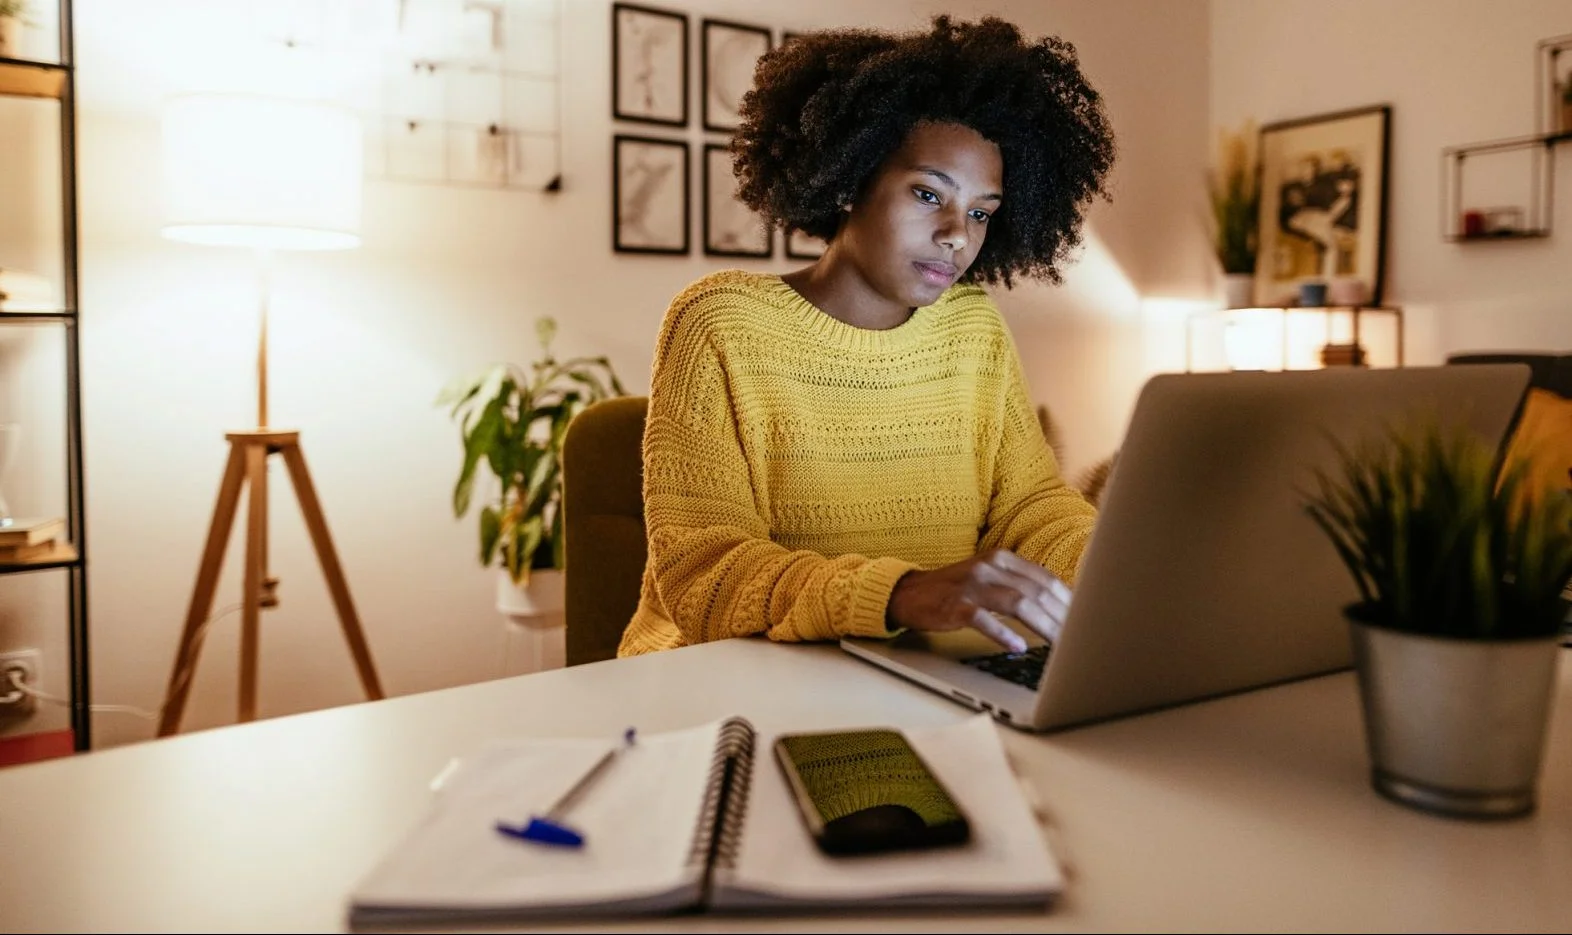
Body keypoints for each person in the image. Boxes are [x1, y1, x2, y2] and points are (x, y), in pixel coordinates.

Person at [616, 16, 1116, 658]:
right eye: (929, 194)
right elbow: (706, 573)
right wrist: (898, 593)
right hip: (730, 680)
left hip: (920, 668)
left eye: (981, 212)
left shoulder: (971, 326)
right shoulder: (722, 324)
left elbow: (1031, 506)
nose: (958, 234)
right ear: (852, 180)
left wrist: (1112, 570)